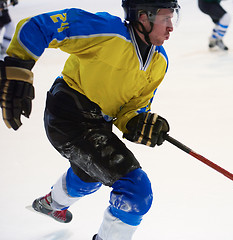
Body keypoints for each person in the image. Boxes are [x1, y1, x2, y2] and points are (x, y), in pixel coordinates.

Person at [0, 0, 180, 239]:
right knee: (135, 192)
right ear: (143, 17)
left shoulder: (159, 62)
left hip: (98, 123)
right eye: (165, 19)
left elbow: (132, 109)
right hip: (67, 114)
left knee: (89, 175)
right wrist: (18, 67)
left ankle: (51, 204)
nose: (171, 27)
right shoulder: (107, 31)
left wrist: (138, 123)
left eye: (172, 19)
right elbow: (38, 26)